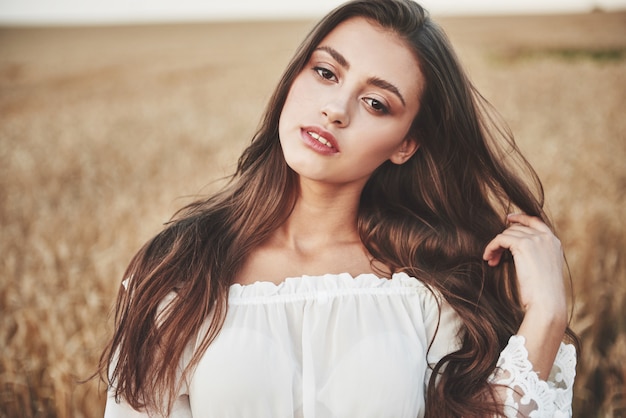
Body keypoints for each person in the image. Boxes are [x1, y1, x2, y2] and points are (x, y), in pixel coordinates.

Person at [100, 0, 578, 416]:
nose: (335, 109)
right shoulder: (181, 268)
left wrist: (547, 315)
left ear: (406, 144)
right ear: (293, 78)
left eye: (375, 102)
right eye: (325, 73)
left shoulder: (431, 286)